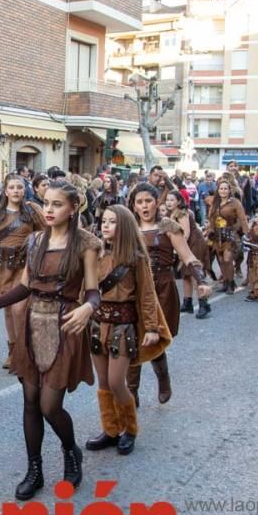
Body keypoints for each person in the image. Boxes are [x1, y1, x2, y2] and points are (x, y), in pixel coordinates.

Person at [0, 181, 100, 499]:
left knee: (49, 405)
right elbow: (25, 286)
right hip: (33, 322)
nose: (49, 209)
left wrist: (87, 306)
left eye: (57, 204)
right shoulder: (35, 241)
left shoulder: (86, 244)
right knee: (30, 401)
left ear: (73, 208)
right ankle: (35, 469)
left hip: (65, 324)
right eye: (46, 203)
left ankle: (71, 453)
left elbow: (95, 292)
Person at [84, 204, 171, 456]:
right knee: (103, 382)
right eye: (104, 221)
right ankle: (111, 430)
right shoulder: (95, 253)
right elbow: (85, 289)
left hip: (123, 327)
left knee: (116, 381)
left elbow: (147, 294)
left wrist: (152, 327)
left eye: (112, 222)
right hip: (98, 325)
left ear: (123, 226)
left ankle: (130, 429)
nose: (105, 225)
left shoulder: (136, 257)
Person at [128, 185, 209, 407]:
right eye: (139, 201)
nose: (144, 205)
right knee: (130, 340)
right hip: (133, 290)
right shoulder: (128, 228)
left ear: (157, 202)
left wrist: (201, 281)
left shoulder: (169, 228)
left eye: (148, 201)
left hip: (161, 289)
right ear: (134, 205)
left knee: (154, 340)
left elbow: (188, 257)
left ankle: (163, 378)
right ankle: (131, 396)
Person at [0, 174, 47, 371]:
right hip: (3, 267)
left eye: (20, 187)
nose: (16, 190)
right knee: (7, 309)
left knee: (19, 309)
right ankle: (13, 351)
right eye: (12, 187)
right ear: (5, 191)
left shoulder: (33, 211)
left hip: (26, 266)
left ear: (25, 190)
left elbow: (47, 234)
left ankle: (23, 352)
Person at [166, 191, 213, 319]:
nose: (168, 202)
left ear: (179, 202)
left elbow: (185, 233)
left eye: (172, 200)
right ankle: (187, 303)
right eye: (167, 200)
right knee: (185, 274)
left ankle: (204, 304)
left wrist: (177, 249)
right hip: (186, 243)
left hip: (194, 243)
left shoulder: (182, 213)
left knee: (194, 274)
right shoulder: (171, 214)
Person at [206, 178, 248, 294]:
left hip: (230, 234)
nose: (223, 191)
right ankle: (225, 282)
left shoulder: (235, 202)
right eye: (221, 188)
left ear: (229, 190)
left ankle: (231, 284)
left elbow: (242, 218)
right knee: (220, 260)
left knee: (227, 259)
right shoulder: (215, 202)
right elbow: (210, 219)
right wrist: (209, 229)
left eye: (225, 188)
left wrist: (246, 232)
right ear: (218, 190)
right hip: (217, 235)